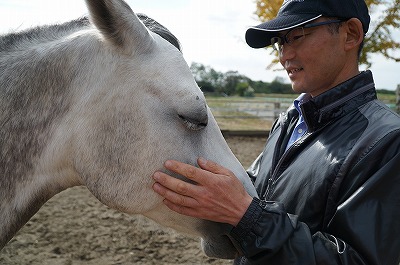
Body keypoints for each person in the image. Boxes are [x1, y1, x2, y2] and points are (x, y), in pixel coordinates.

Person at [152, 0, 400, 264]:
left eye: (296, 36)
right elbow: (258, 193)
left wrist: (247, 217)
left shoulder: (386, 141)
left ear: (350, 34)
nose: (284, 56)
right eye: (280, 42)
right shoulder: (290, 121)